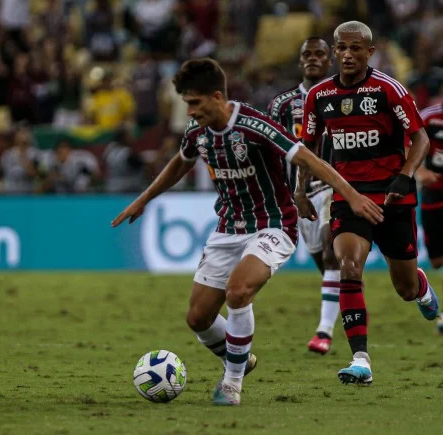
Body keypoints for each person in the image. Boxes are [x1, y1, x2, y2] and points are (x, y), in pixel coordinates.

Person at [112, 58, 382, 406]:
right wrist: (144, 199)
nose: (190, 111)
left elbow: (308, 158)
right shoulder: (198, 131)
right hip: (227, 228)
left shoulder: (255, 125)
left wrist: (352, 195)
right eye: (187, 104)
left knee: (238, 292)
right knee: (197, 318)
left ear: (217, 96)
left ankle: (232, 383)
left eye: (195, 103)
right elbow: (182, 160)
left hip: (273, 224)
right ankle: (241, 358)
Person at [300, 21, 438, 386]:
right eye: (341, 48)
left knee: (405, 289)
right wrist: (301, 191)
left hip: (393, 196)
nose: (347, 54)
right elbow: (308, 149)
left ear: (369, 52)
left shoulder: (387, 90)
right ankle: (360, 359)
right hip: (349, 196)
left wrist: (406, 174)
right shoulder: (319, 96)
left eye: (355, 48)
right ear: (334, 51)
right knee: (347, 264)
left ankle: (421, 288)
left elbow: (420, 139)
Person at [268, 37, 341, 355]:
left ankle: (324, 332)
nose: (312, 59)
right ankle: (347, 298)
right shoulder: (282, 105)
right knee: (326, 265)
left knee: (331, 252)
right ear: (300, 62)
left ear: (330, 61)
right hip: (299, 195)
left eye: (319, 54)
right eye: (307, 54)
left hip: (335, 187)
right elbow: (270, 151)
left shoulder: (343, 97)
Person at [418, 103, 443, 332]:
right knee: (437, 260)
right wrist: (420, 172)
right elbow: (408, 144)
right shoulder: (429, 117)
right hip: (433, 193)